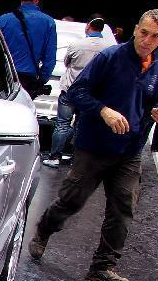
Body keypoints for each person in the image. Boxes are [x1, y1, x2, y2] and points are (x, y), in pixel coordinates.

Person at [28, 9, 158, 281]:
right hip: (94, 146)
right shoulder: (111, 57)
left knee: (123, 209)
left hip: (130, 149)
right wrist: (103, 110)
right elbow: (76, 93)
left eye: (155, 36)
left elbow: (155, 98)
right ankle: (44, 229)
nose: (147, 40)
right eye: (144, 32)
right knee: (72, 200)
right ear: (135, 29)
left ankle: (103, 266)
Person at [44, 15, 111, 168]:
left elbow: (67, 63)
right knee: (82, 126)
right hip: (90, 94)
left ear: (88, 26)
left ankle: (54, 157)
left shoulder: (77, 44)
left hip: (70, 90)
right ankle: (76, 160)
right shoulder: (108, 49)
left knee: (62, 124)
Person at [0, 0, 57, 99]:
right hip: (28, 82)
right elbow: (50, 58)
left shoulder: (3, 20)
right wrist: (41, 80)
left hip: (5, 78)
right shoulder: (48, 23)